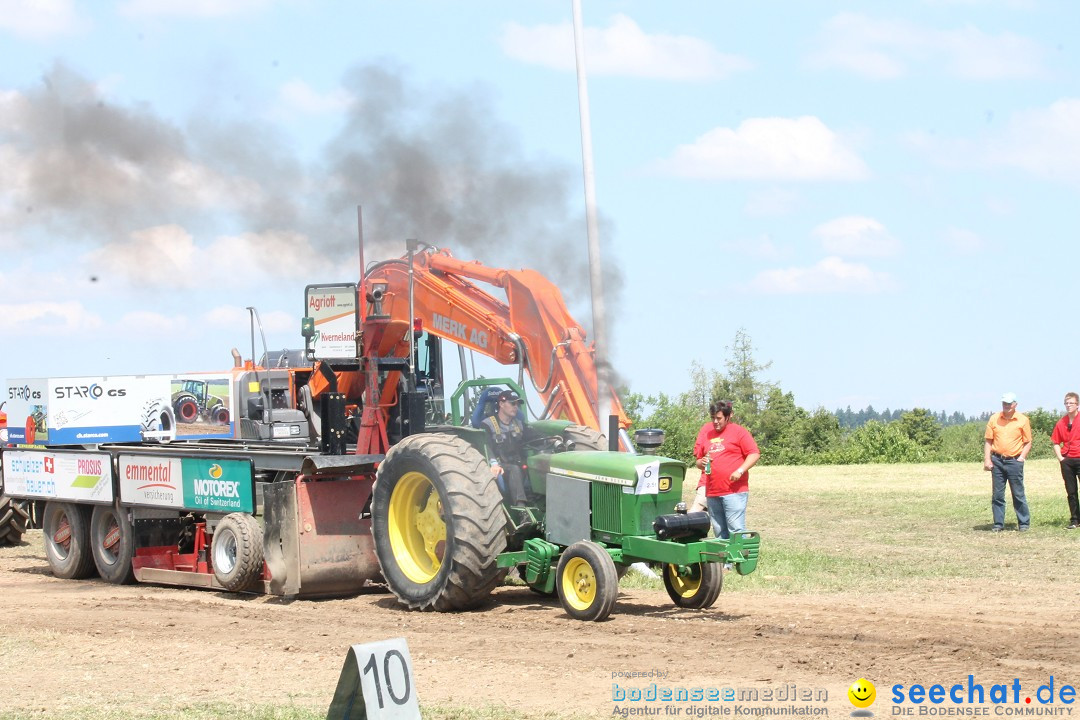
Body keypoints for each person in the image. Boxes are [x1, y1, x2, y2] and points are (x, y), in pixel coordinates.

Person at [693, 400, 760, 539]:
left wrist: (740, 470)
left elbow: (754, 453)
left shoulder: (739, 432)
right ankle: (725, 561)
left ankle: (741, 560)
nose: (715, 422)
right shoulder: (708, 434)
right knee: (719, 532)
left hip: (734, 491)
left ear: (728, 417)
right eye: (713, 418)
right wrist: (702, 462)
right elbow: (698, 462)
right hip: (712, 492)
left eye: (719, 418)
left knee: (736, 530)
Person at [983, 392, 1032, 532]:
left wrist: (1021, 458)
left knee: (1018, 493)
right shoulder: (994, 419)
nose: (1007, 406)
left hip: (1014, 461)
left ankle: (1023, 523)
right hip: (997, 460)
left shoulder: (1022, 420)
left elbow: (1028, 442)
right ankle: (998, 524)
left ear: (1015, 404)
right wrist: (987, 459)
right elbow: (988, 441)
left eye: (1009, 403)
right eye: (1004, 403)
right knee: (997, 494)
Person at [481, 389, 529, 505]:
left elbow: (534, 436)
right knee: (514, 469)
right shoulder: (487, 424)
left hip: (518, 462)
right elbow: (485, 446)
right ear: (501, 404)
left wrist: (554, 439)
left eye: (517, 404)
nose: (515, 407)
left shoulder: (519, 424)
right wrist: (493, 464)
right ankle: (521, 508)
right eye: (512, 403)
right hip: (500, 465)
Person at [1051, 392, 1080, 529]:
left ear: (1077, 405)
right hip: (1067, 460)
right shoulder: (1061, 423)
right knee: (1071, 491)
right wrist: (1061, 458)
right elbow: (1056, 442)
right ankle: (1075, 520)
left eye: (1071, 403)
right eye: (1066, 403)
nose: (1068, 406)